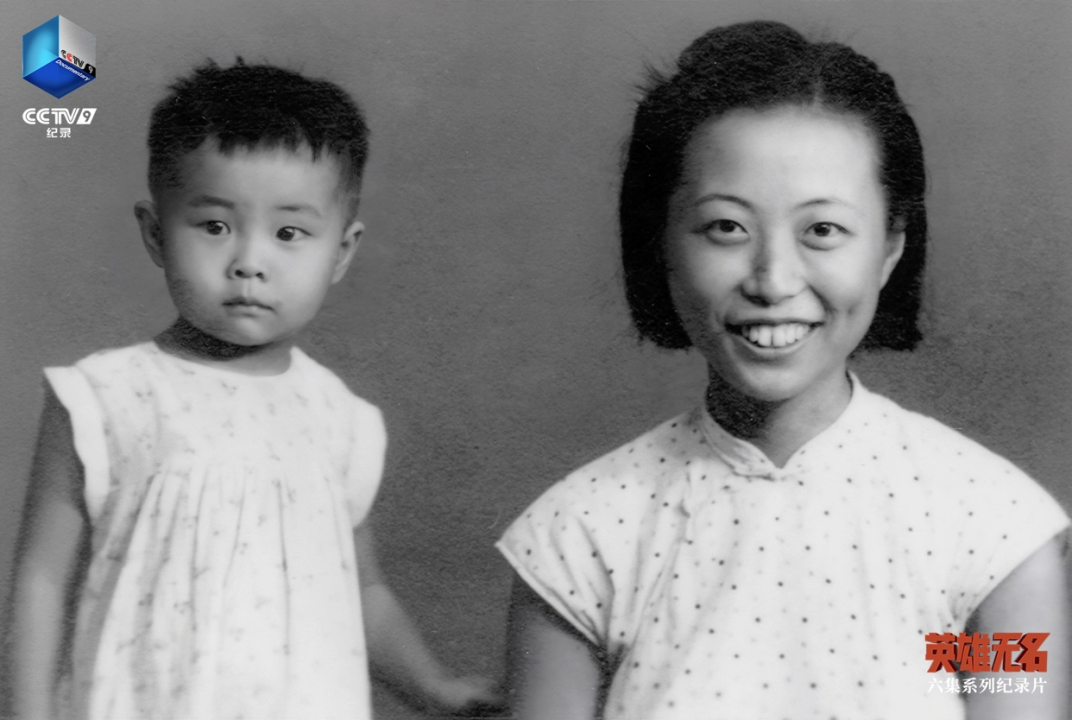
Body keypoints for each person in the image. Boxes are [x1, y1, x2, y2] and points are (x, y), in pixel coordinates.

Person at [497, 20, 1068, 720]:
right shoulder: (582, 536)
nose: (773, 279)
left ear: (890, 246)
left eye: (822, 230)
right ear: (662, 243)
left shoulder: (987, 532)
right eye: (726, 228)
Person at [11, 60, 500, 719]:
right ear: (156, 233)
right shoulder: (104, 397)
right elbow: (41, 582)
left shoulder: (340, 420)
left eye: (289, 233)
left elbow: (362, 591)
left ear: (342, 251)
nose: (249, 262)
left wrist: (432, 686)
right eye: (214, 226)